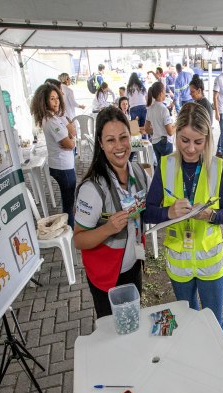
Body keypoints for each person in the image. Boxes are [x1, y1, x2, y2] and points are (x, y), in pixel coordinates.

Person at [142, 102, 223, 331]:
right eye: (184, 140)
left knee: (214, 323)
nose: (191, 149)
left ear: (207, 139)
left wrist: (211, 214)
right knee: (188, 321)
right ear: (176, 135)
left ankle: (215, 364)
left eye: (198, 142)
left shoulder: (218, 168)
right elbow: (148, 212)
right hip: (179, 263)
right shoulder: (165, 166)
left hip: (210, 262)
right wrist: (168, 212)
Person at [73, 106, 150, 318]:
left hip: (133, 266)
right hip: (106, 276)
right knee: (112, 336)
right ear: (100, 144)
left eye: (123, 137)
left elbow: (150, 210)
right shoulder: (92, 189)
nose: (119, 146)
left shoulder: (138, 172)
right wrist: (108, 228)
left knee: (132, 322)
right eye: (110, 140)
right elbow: (78, 240)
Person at [30, 82, 77, 228]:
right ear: (44, 101)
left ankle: (70, 228)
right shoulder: (51, 121)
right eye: (52, 98)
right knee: (69, 204)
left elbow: (73, 131)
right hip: (63, 167)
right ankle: (70, 231)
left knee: (68, 200)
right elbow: (70, 144)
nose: (56, 101)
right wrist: (71, 140)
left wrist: (70, 137)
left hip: (64, 164)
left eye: (57, 97)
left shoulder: (56, 116)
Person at [144, 81, 175, 166]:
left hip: (155, 142)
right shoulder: (163, 109)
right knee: (169, 170)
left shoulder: (150, 109)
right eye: (165, 91)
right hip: (165, 142)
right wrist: (178, 124)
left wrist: (157, 129)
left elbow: (146, 129)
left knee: (160, 168)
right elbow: (170, 132)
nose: (165, 93)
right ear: (161, 93)